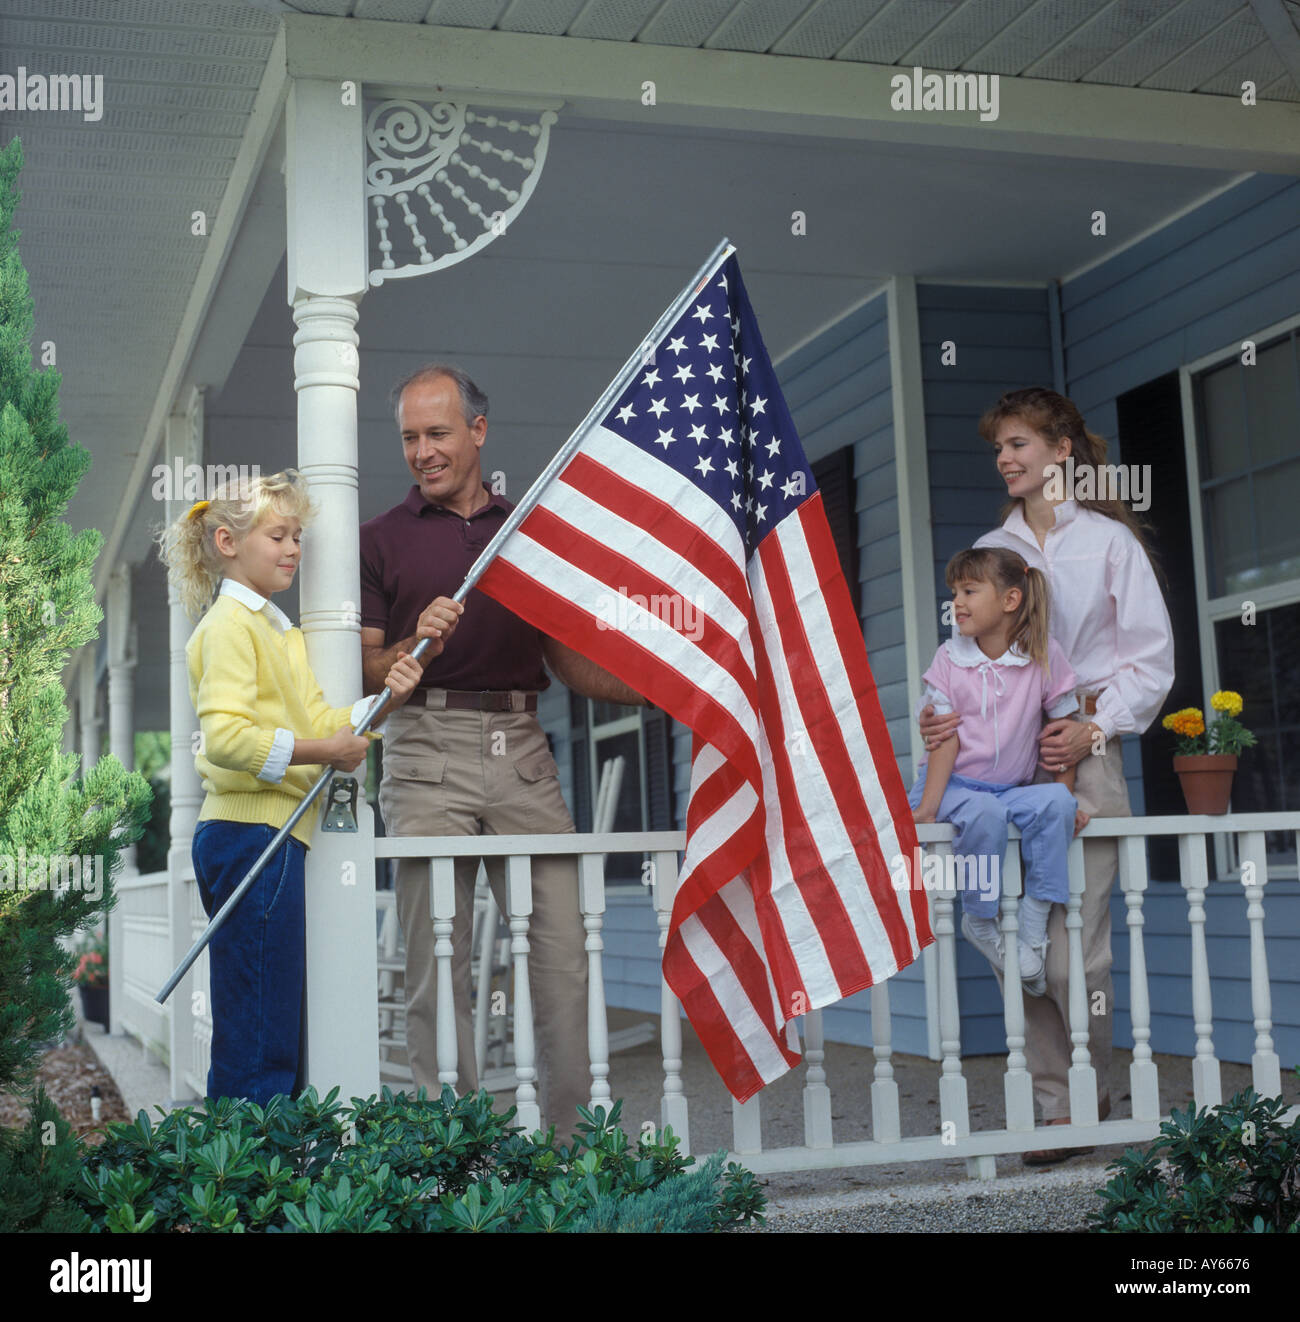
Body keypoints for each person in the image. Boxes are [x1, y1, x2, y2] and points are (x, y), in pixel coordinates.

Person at [359, 363, 647, 1132]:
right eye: (411, 438)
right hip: (424, 753)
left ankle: (573, 1151)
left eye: (438, 433)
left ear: (478, 432)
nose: (423, 451)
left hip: (520, 744)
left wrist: (655, 689)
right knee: (439, 965)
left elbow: (566, 659)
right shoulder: (380, 541)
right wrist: (412, 640)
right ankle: (454, 1160)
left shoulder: (528, 532)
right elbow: (364, 668)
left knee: (560, 953)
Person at [920, 387, 1174, 1164]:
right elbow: (960, 665)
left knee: (1075, 950)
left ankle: (1090, 1088)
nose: (1006, 458)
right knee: (1009, 936)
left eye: (1020, 443)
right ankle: (1059, 1109)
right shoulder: (991, 551)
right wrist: (939, 723)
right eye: (1000, 446)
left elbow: (1152, 657)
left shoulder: (1107, 543)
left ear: (1063, 450)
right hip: (1000, 765)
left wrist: (1093, 726)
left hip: (1087, 752)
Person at [157, 469, 450, 1104]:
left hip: (269, 838)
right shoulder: (230, 627)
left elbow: (323, 724)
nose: (294, 549)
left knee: (272, 1021)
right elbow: (229, 739)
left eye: (298, 537)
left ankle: (262, 1176)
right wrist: (326, 751)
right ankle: (245, 1186)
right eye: (278, 536)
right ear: (229, 544)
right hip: (247, 836)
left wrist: (389, 699)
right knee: (259, 1030)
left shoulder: (273, 629)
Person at [910, 546, 1087, 997]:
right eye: (955, 592)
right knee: (985, 813)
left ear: (1010, 600)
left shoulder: (1044, 656)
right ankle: (980, 918)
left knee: (1055, 801)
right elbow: (944, 738)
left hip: (1011, 789)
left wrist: (1065, 802)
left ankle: (1033, 919)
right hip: (952, 787)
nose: (958, 603)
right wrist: (927, 809)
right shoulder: (950, 659)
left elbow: (1061, 731)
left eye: (970, 590)